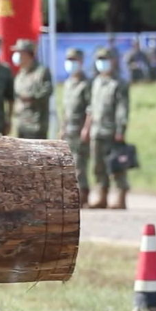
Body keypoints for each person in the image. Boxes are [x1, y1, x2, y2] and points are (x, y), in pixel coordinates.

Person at [83, 47, 130, 209]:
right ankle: (101, 194)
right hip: (97, 131)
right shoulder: (96, 82)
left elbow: (122, 109)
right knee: (98, 165)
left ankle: (119, 195)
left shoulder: (119, 83)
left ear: (113, 61)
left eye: (106, 59)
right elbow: (91, 108)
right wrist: (86, 128)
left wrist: (120, 130)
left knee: (116, 164)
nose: (102, 63)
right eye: (100, 59)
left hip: (111, 131)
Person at [61, 48, 92, 206]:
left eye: (75, 61)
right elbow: (66, 110)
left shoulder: (86, 84)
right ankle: (72, 194)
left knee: (80, 164)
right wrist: (62, 128)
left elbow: (90, 110)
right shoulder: (68, 83)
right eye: (69, 60)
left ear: (81, 62)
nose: (71, 64)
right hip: (69, 130)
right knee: (69, 164)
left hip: (80, 130)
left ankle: (83, 194)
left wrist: (86, 128)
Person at [10, 39, 53, 139]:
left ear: (27, 54)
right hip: (21, 125)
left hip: (35, 126)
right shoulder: (20, 74)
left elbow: (47, 91)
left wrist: (31, 98)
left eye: (19, 52)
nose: (16, 55)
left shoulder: (41, 72)